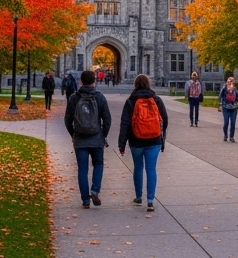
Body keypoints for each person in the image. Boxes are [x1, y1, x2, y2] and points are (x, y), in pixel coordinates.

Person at [118, 74, 168, 212]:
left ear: (135, 84)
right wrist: (161, 137)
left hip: (136, 140)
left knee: (138, 167)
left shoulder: (131, 100)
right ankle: (150, 201)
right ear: (148, 84)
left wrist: (122, 143)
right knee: (151, 169)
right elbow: (164, 119)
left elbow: (125, 123)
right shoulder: (156, 99)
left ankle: (138, 197)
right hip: (154, 140)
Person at [65, 70, 111, 209]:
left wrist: (73, 134)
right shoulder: (100, 97)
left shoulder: (74, 98)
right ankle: (95, 190)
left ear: (80, 81)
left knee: (82, 169)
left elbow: (67, 120)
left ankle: (85, 200)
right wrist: (103, 135)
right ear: (94, 82)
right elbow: (107, 119)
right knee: (98, 165)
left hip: (80, 139)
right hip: (96, 138)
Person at [219, 76, 238, 142]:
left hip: (233, 108)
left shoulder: (235, 89)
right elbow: (220, 96)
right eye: (229, 81)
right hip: (225, 108)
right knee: (226, 122)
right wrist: (220, 104)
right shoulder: (224, 88)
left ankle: (231, 137)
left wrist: (237, 102)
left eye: (232, 82)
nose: (230, 83)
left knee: (233, 123)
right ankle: (225, 135)